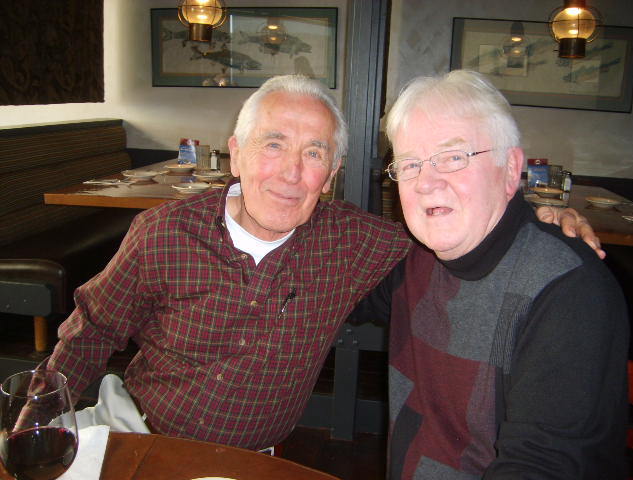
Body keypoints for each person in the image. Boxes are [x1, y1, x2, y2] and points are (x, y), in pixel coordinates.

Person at [47, 75, 602, 451]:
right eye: (273, 144)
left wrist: (536, 220)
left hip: (249, 462)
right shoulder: (164, 233)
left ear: (331, 174)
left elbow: (459, 226)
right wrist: (35, 424)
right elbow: (90, 332)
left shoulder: (355, 243)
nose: (291, 172)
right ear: (235, 152)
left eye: (314, 153)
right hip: (133, 434)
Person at [350, 70, 628, 478]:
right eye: (409, 164)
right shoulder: (415, 261)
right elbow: (331, 297)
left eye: (453, 156)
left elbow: (539, 467)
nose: (426, 182)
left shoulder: (568, 291)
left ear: (510, 167)